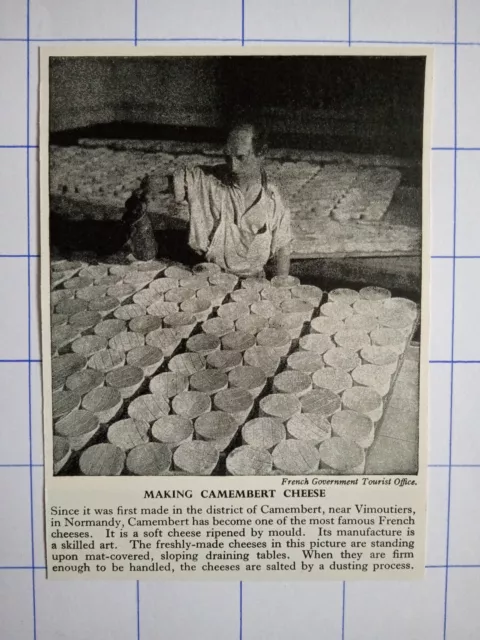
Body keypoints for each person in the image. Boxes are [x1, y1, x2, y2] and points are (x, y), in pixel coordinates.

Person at [123, 122, 292, 277]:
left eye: (241, 157)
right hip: (208, 275)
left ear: (261, 153)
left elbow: (282, 249)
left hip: (252, 281)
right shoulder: (208, 180)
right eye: (227, 156)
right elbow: (165, 183)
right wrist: (148, 187)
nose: (233, 166)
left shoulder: (274, 197)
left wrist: (281, 288)